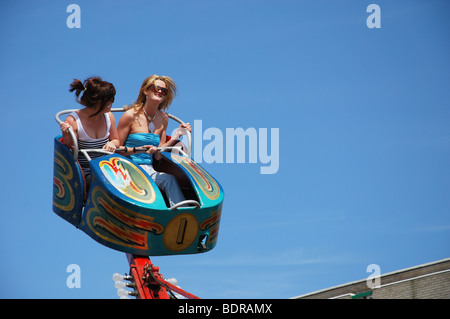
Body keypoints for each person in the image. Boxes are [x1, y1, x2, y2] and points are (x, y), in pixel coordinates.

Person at [117, 75, 191, 207]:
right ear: (146, 90)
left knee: (170, 179)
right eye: (156, 87)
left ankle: (181, 214)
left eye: (164, 90)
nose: (160, 91)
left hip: (149, 169)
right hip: (128, 168)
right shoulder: (130, 115)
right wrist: (139, 150)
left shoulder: (163, 118)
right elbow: (117, 150)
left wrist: (176, 136)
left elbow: (158, 153)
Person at [60, 76, 120, 187]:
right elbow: (70, 150)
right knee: (104, 184)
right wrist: (67, 134)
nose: (112, 102)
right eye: (110, 98)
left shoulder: (109, 116)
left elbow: (116, 140)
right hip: (86, 171)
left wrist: (112, 143)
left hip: (108, 167)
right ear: (99, 101)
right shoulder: (73, 120)